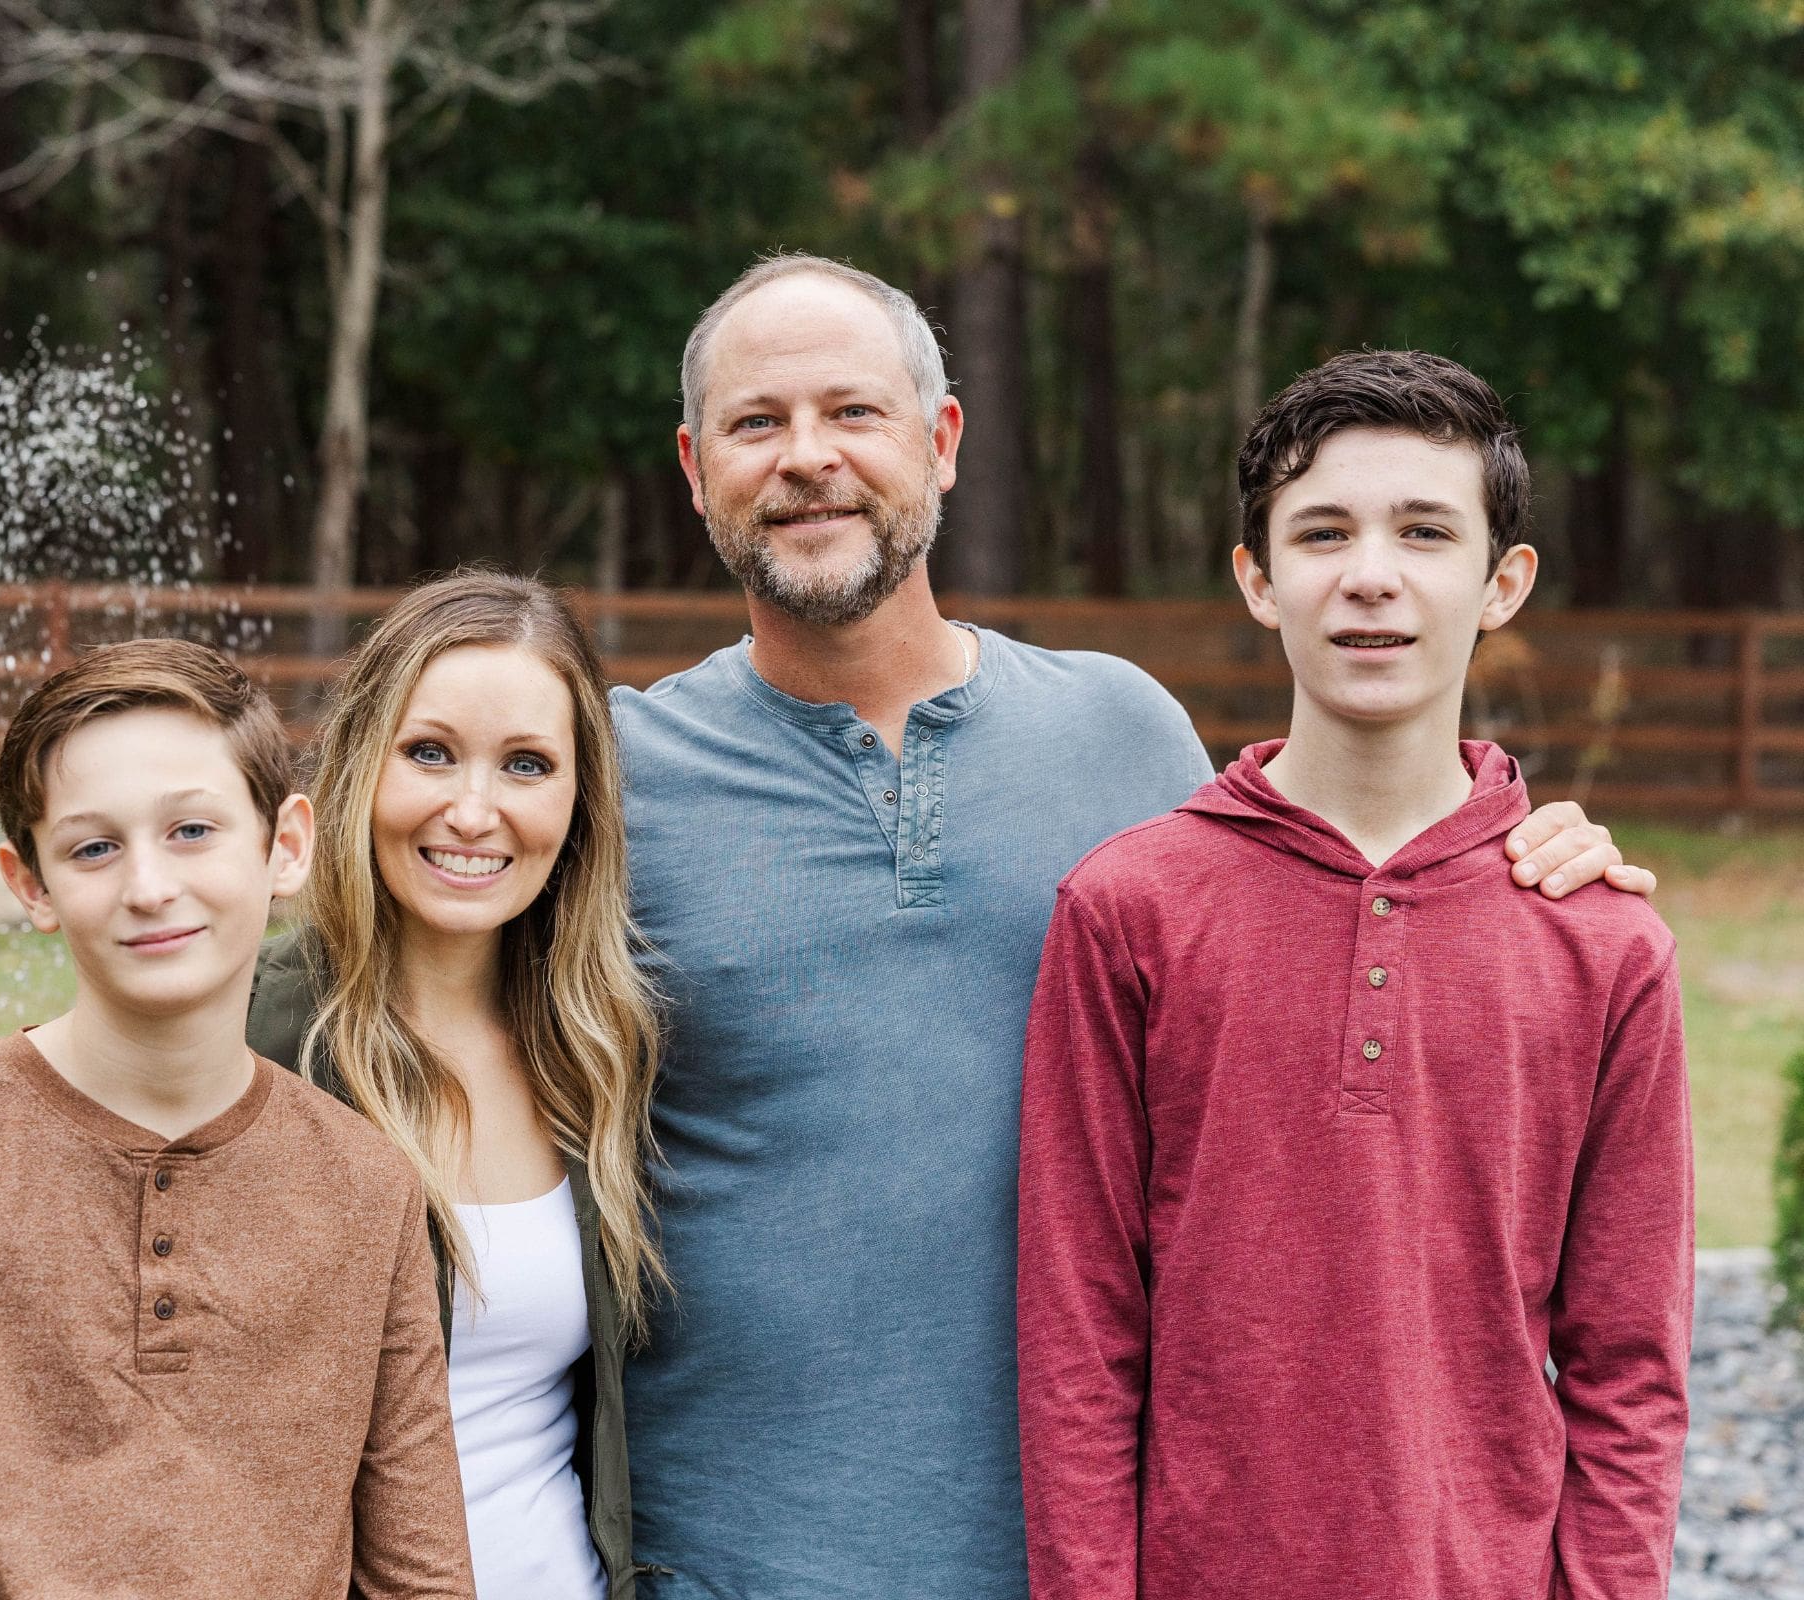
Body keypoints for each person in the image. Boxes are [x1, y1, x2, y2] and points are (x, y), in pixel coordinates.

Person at [612, 255, 1659, 1599]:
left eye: (854, 413)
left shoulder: (1120, 735)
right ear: (696, 467)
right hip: (733, 1559)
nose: (808, 457)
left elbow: (1319, 885)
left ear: (941, 444)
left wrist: (1518, 858)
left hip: (1105, 1549)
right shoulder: (615, 780)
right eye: (758, 424)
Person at [1016, 351, 1692, 1600]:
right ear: (1256, 580)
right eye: (1320, 531)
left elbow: (1629, 1370)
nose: (1369, 572)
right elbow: (1080, 1334)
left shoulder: (1603, 946)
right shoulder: (1127, 909)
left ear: (1501, 584)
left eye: (1423, 531)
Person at [0, 638, 476, 1599]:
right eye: (93, 848)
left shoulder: (369, 1186)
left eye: (192, 832)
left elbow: (418, 1572)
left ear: (285, 846)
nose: (150, 887)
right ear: (30, 884)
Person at [247, 571, 662, 1600]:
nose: (472, 811)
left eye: (526, 764)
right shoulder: (256, 1038)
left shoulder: (594, 1049)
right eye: (429, 753)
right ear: (361, 765)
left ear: (577, 803)